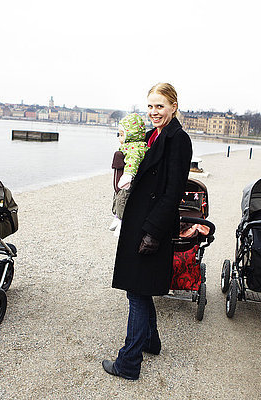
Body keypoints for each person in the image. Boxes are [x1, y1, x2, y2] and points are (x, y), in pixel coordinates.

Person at [102, 83, 192, 380]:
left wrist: (152, 232)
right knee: (139, 288)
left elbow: (173, 191)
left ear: (173, 107)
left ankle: (128, 362)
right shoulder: (153, 135)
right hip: (139, 221)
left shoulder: (178, 139)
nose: (154, 112)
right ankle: (151, 342)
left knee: (137, 293)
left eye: (160, 106)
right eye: (150, 106)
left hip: (151, 226)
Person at [109, 113, 148, 237]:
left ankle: (121, 221)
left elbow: (133, 161)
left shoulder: (135, 148)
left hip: (130, 181)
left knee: (122, 199)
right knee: (117, 197)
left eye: (121, 135)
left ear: (130, 135)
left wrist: (128, 176)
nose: (119, 138)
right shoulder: (129, 146)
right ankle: (116, 216)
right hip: (127, 180)